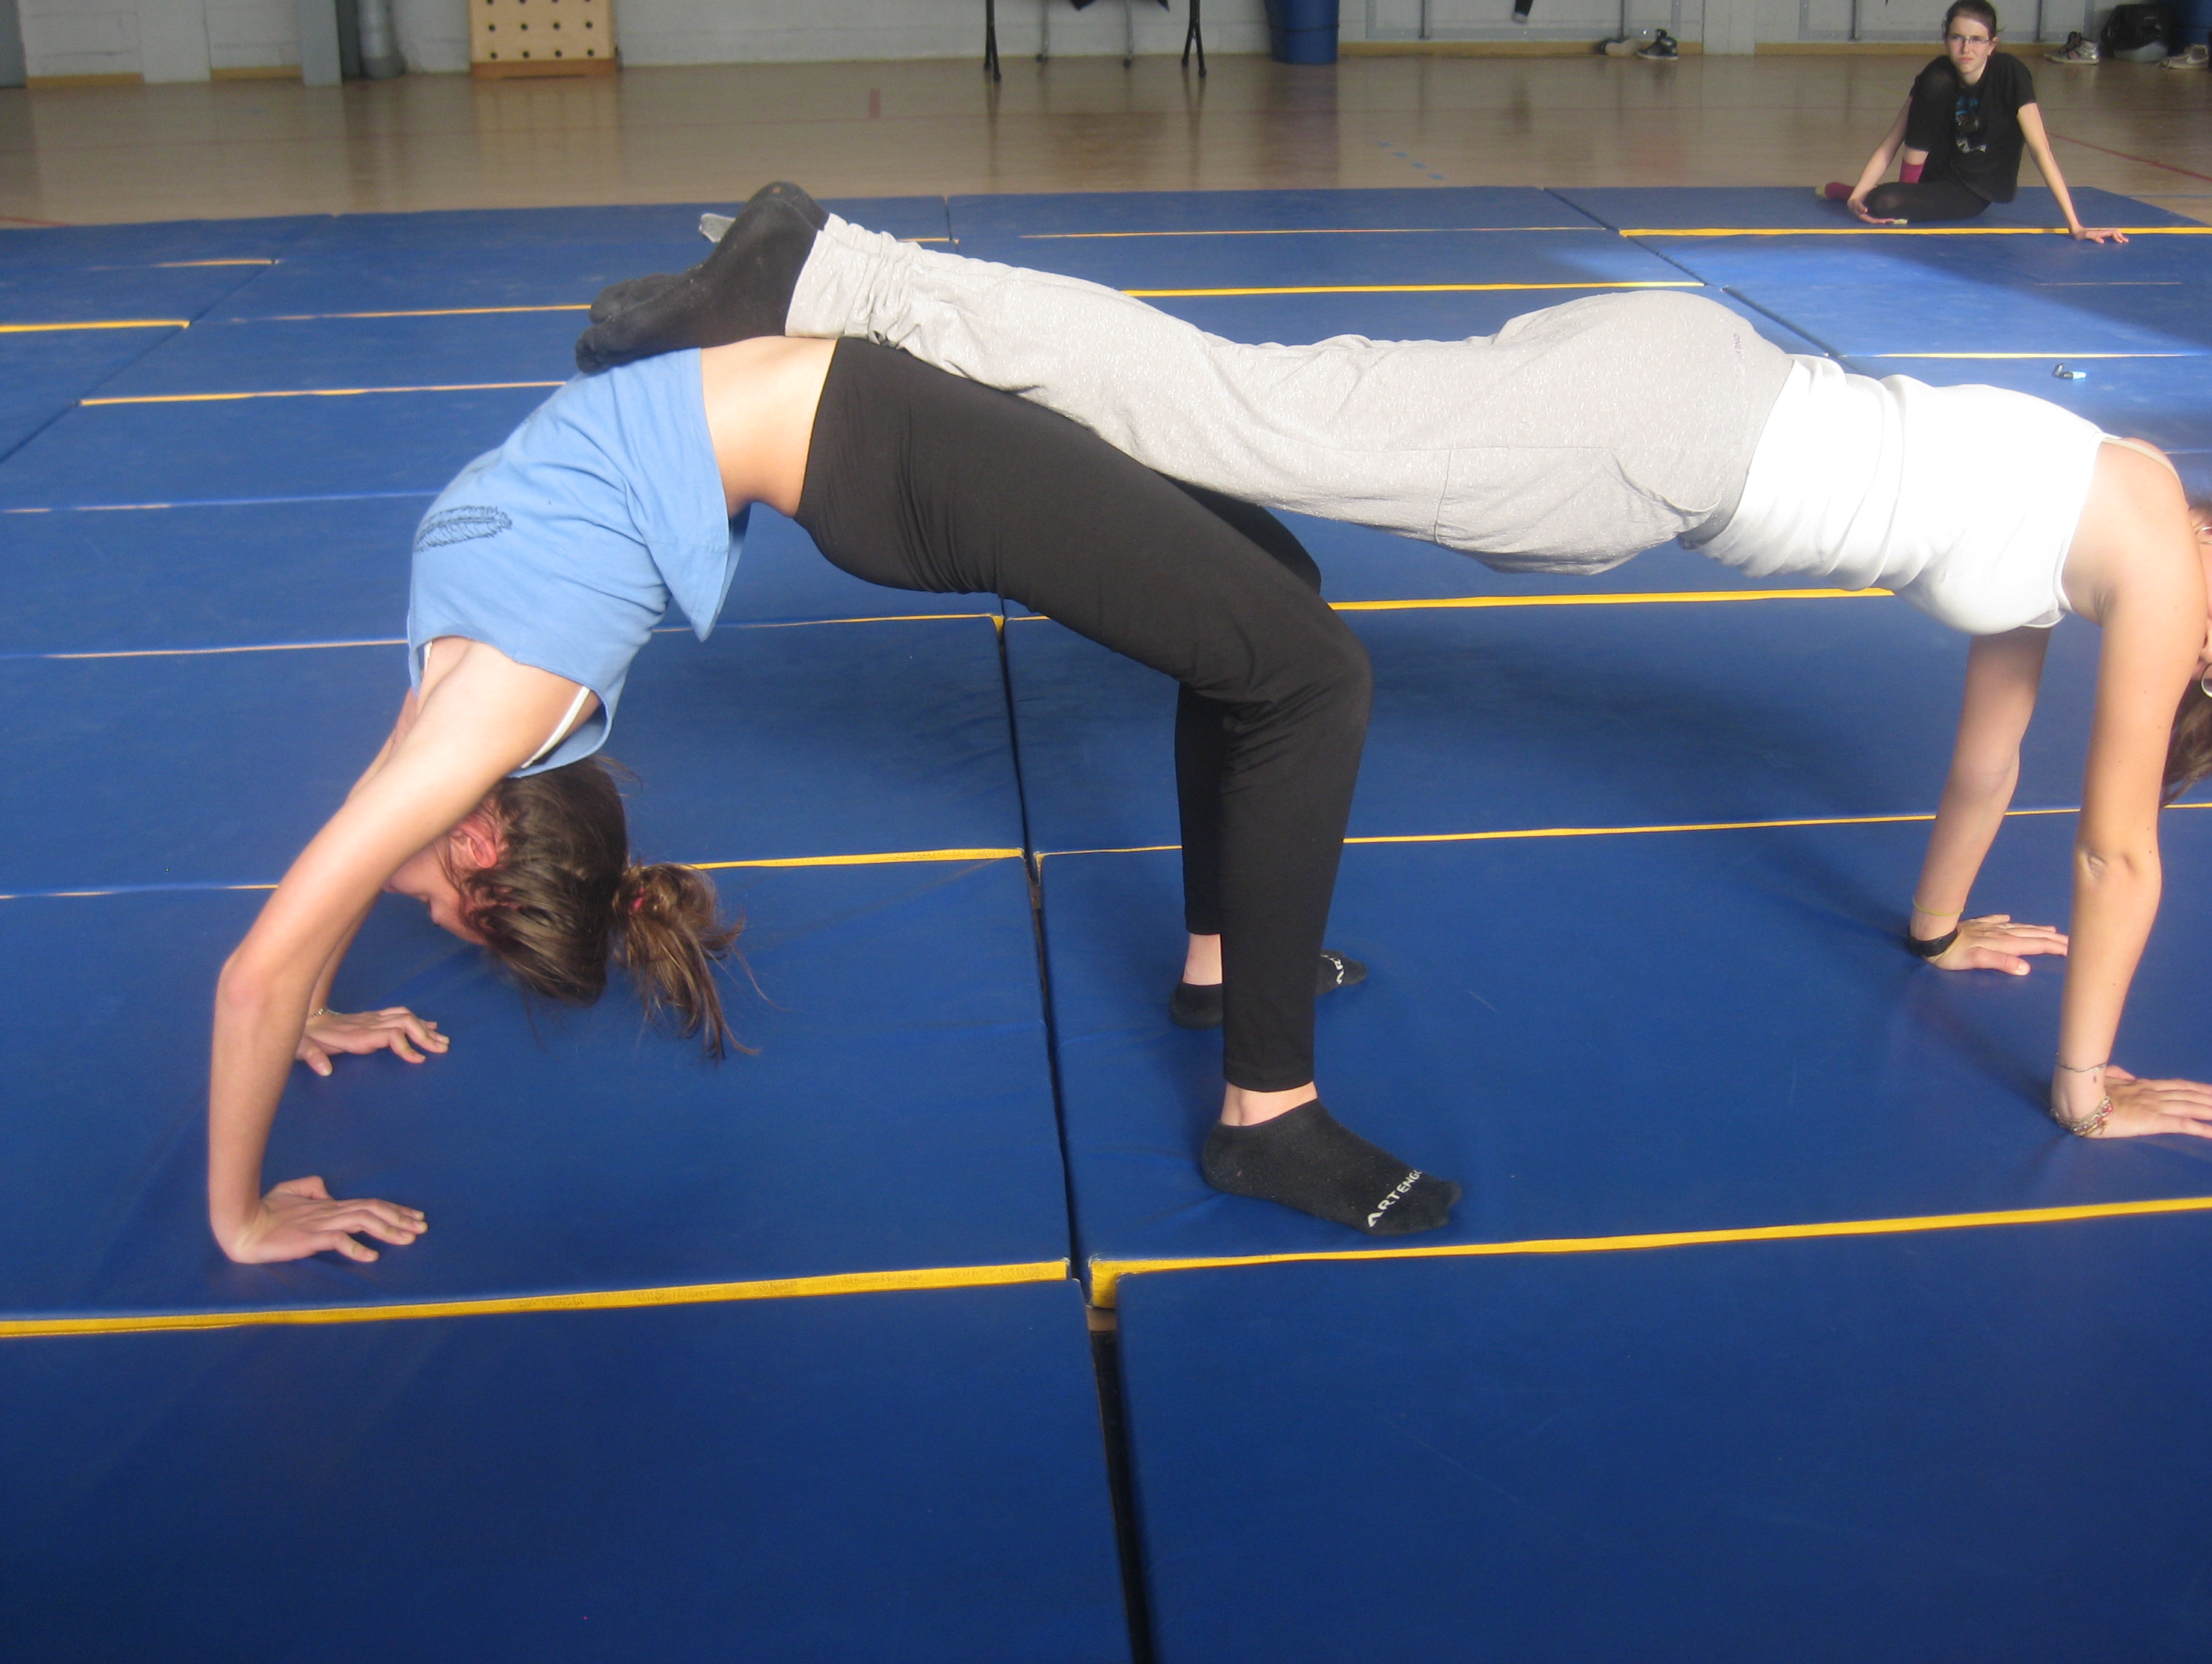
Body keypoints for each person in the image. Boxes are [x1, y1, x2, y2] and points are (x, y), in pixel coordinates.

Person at [580, 183, 2212, 1146]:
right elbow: (2119, 840)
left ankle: (869, 347)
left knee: (1233, 437)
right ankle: (824, 273)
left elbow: (1995, 756)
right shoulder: (2142, 528)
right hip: (1659, 433)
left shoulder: (2078, 540)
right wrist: (2083, 1083)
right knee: (1242, 409)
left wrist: (1932, 926)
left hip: (1660, 437)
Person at [206, 299, 1468, 1269]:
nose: (411, 899)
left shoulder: (461, 713)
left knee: (1268, 590)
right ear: (486, 832)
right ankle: (1267, 1111)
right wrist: (286, 1075)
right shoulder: (474, 710)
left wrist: (245, 1198)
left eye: (444, 912)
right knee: (1307, 672)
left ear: (476, 840)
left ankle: (1220, 968)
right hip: (880, 448)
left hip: (875, 427)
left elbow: (271, 951)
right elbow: (329, 890)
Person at [1821, 0, 2127, 240]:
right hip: (1935, 168)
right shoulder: (1938, 73)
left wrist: (2076, 225)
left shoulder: (2010, 74)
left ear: (1992, 45)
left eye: (1977, 40)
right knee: (1935, 82)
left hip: (1971, 188)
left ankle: (1889, 196)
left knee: (1884, 202)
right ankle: (1884, 192)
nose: (1966, 48)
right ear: (1946, 39)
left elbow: (2040, 150)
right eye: (1957, 38)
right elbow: (1894, 140)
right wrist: (1859, 193)